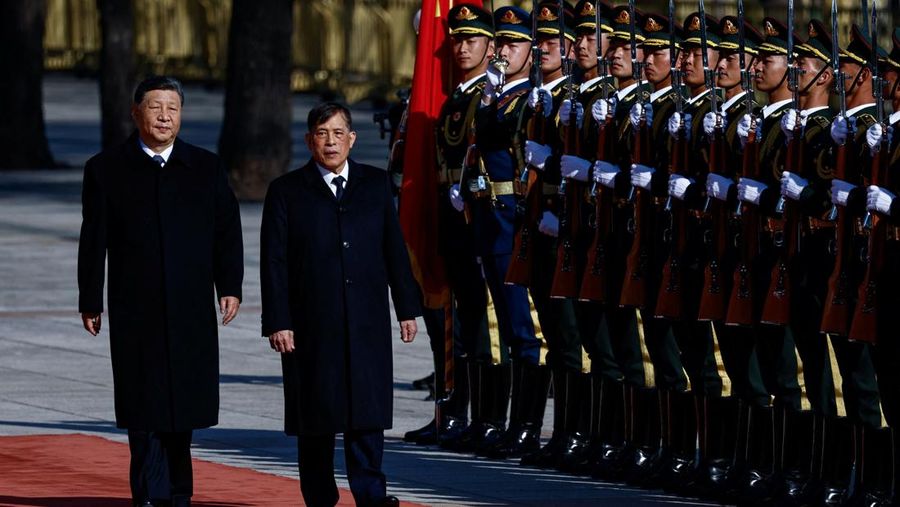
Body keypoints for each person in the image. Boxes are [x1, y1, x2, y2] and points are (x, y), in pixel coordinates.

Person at [77, 75, 244, 507]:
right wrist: (90, 298)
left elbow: (227, 231)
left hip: (190, 307)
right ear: (136, 113)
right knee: (143, 405)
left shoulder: (205, 167)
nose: (165, 116)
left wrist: (230, 286)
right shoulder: (106, 169)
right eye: (155, 107)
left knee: (183, 406)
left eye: (173, 107)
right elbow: (93, 239)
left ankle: (179, 492)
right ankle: (150, 493)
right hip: (137, 306)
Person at [260, 102, 421, 507]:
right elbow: (274, 262)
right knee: (316, 417)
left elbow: (393, 249)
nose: (330, 142)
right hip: (311, 324)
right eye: (321, 133)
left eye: (337, 133)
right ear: (309, 140)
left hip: (365, 320)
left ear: (351, 139)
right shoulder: (286, 192)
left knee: (366, 415)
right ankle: (319, 497)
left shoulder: (374, 185)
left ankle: (371, 495)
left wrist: (406, 307)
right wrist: (279, 320)